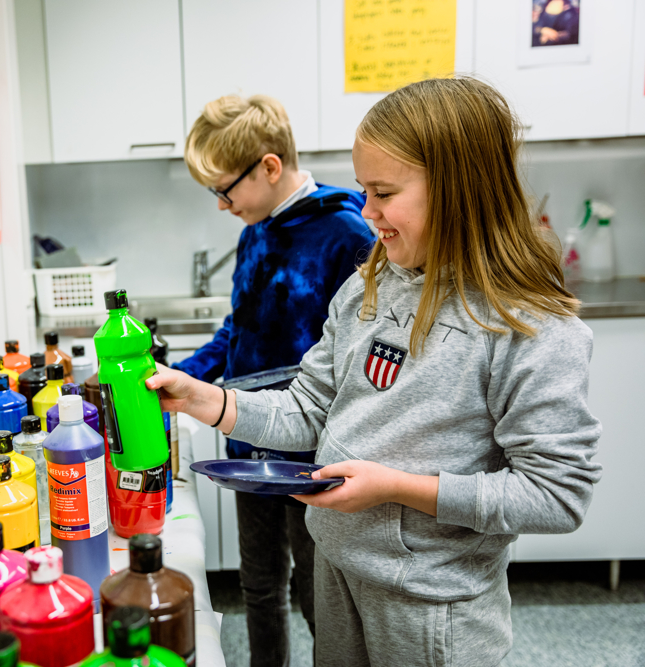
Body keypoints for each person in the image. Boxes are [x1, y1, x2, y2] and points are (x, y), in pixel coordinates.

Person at [151, 77, 602, 667]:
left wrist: (395, 488)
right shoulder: (370, 287)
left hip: (429, 608)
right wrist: (202, 398)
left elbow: (557, 493)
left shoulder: (528, 326)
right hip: (340, 573)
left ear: (458, 191)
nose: (368, 215)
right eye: (364, 191)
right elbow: (309, 408)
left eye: (383, 193)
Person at [173, 94, 375, 667]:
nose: (220, 205)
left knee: (319, 597)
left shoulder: (346, 232)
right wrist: (181, 378)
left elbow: (356, 360)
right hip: (248, 442)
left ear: (267, 167)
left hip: (312, 453)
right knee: (259, 587)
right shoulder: (254, 230)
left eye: (224, 189)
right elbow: (238, 329)